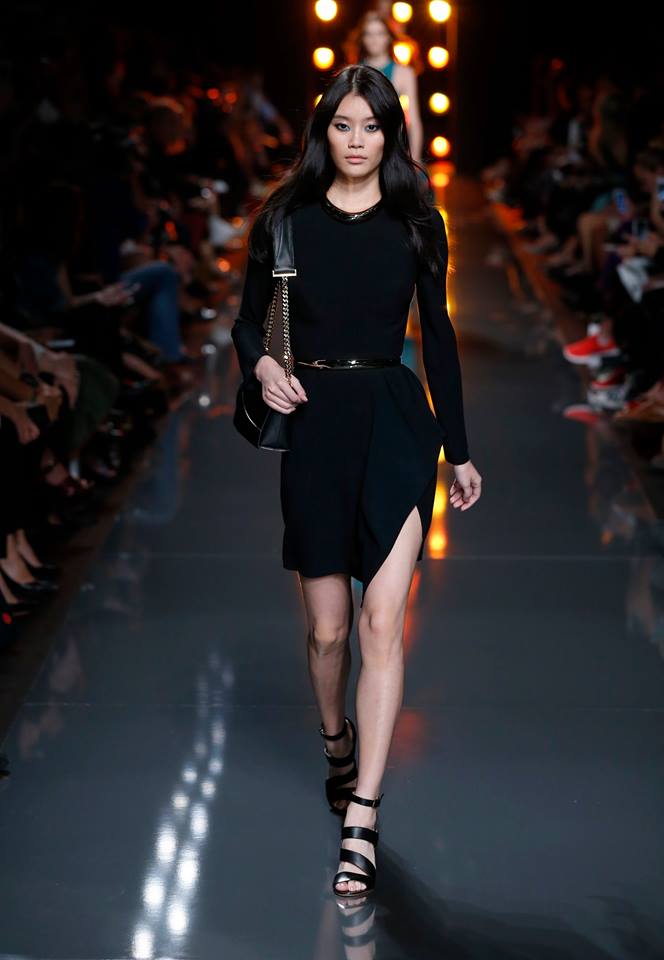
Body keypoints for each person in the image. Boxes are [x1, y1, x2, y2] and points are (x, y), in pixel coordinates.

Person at [231, 64, 482, 900]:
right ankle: (336, 740)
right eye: (342, 125)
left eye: (371, 126)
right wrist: (264, 365)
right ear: (322, 132)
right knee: (328, 634)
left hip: (397, 425)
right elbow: (246, 321)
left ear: (390, 134)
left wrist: (460, 449)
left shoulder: (417, 223)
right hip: (315, 428)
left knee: (381, 623)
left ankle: (363, 817)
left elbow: (437, 336)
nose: (356, 140)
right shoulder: (285, 219)